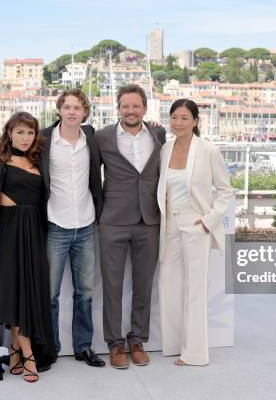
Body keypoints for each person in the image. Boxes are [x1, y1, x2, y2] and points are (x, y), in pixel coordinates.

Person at [0, 89, 105, 368]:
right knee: (47, 294)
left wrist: (154, 129)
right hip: (54, 226)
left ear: (85, 112)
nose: (72, 112)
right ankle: (48, 350)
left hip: (85, 224)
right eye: (67, 107)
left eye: (78, 107)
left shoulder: (92, 137)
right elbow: (12, 161)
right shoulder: (43, 140)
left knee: (84, 292)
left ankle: (83, 347)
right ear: (59, 109)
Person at [0, 111, 57, 382]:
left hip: (34, 233)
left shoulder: (38, 160)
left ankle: (17, 351)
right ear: (9, 133)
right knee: (12, 293)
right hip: (7, 233)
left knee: (29, 293)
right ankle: (28, 354)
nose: (26, 137)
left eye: (30, 132)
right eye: (20, 132)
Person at [157, 99, 233, 366]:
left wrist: (208, 220)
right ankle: (175, 345)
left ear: (195, 121)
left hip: (195, 225)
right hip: (169, 227)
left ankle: (195, 353)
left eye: (184, 118)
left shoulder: (208, 151)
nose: (178, 122)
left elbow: (225, 190)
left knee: (195, 290)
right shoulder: (165, 148)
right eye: (174, 117)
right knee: (169, 285)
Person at [95, 84, 166, 369]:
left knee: (144, 286)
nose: (131, 111)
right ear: (118, 108)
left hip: (149, 220)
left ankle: (137, 340)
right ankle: (115, 344)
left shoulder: (159, 134)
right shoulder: (101, 137)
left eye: (136, 106)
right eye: (125, 106)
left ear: (145, 109)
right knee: (111, 286)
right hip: (112, 220)